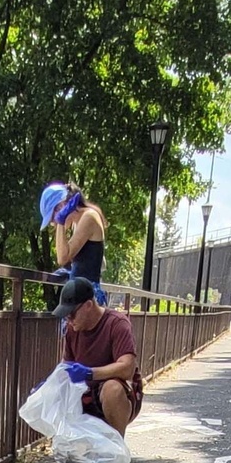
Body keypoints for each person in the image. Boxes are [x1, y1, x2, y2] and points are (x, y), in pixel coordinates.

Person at [54, 276, 143, 437]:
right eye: (66, 315)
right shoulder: (72, 330)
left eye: (72, 314)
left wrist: (90, 372)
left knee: (112, 389)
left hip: (118, 397)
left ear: (88, 305)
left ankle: (116, 447)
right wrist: (50, 384)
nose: (69, 319)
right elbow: (65, 366)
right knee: (57, 393)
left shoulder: (117, 323)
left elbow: (127, 368)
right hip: (86, 395)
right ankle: (75, 445)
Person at [38, 181, 108, 302]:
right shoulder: (78, 222)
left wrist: (61, 222)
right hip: (80, 293)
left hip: (87, 298)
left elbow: (62, 258)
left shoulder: (89, 217)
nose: (53, 224)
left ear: (61, 206)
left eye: (52, 218)